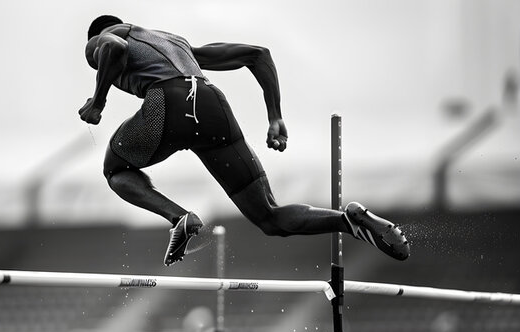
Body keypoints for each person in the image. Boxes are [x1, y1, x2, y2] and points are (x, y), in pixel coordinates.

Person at [79, 15, 409, 266]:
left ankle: (177, 216)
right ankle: (347, 220)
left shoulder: (106, 37)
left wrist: (98, 101)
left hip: (167, 102)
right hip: (211, 104)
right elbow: (257, 54)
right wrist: (275, 116)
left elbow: (113, 48)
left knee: (115, 170)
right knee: (269, 216)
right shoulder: (177, 45)